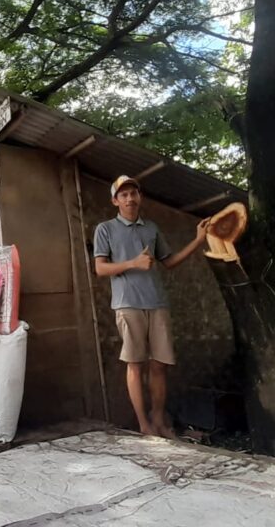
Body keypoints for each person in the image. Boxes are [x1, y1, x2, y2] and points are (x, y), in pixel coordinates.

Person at [93, 175, 208, 438]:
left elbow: (170, 261)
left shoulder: (151, 229)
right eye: (123, 195)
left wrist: (198, 240)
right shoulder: (105, 229)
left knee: (159, 364)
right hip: (128, 304)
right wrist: (133, 263)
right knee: (135, 364)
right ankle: (144, 424)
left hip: (157, 303)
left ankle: (158, 419)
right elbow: (99, 268)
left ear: (139, 197)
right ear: (115, 201)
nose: (130, 198)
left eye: (134, 193)